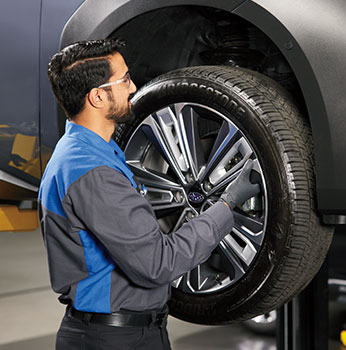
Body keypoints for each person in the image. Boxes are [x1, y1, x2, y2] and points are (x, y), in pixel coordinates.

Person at [38, 38, 260, 350]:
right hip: (112, 339)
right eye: (124, 79)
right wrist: (228, 203)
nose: (133, 88)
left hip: (127, 330)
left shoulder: (90, 150)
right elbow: (158, 264)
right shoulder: (91, 172)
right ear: (97, 97)